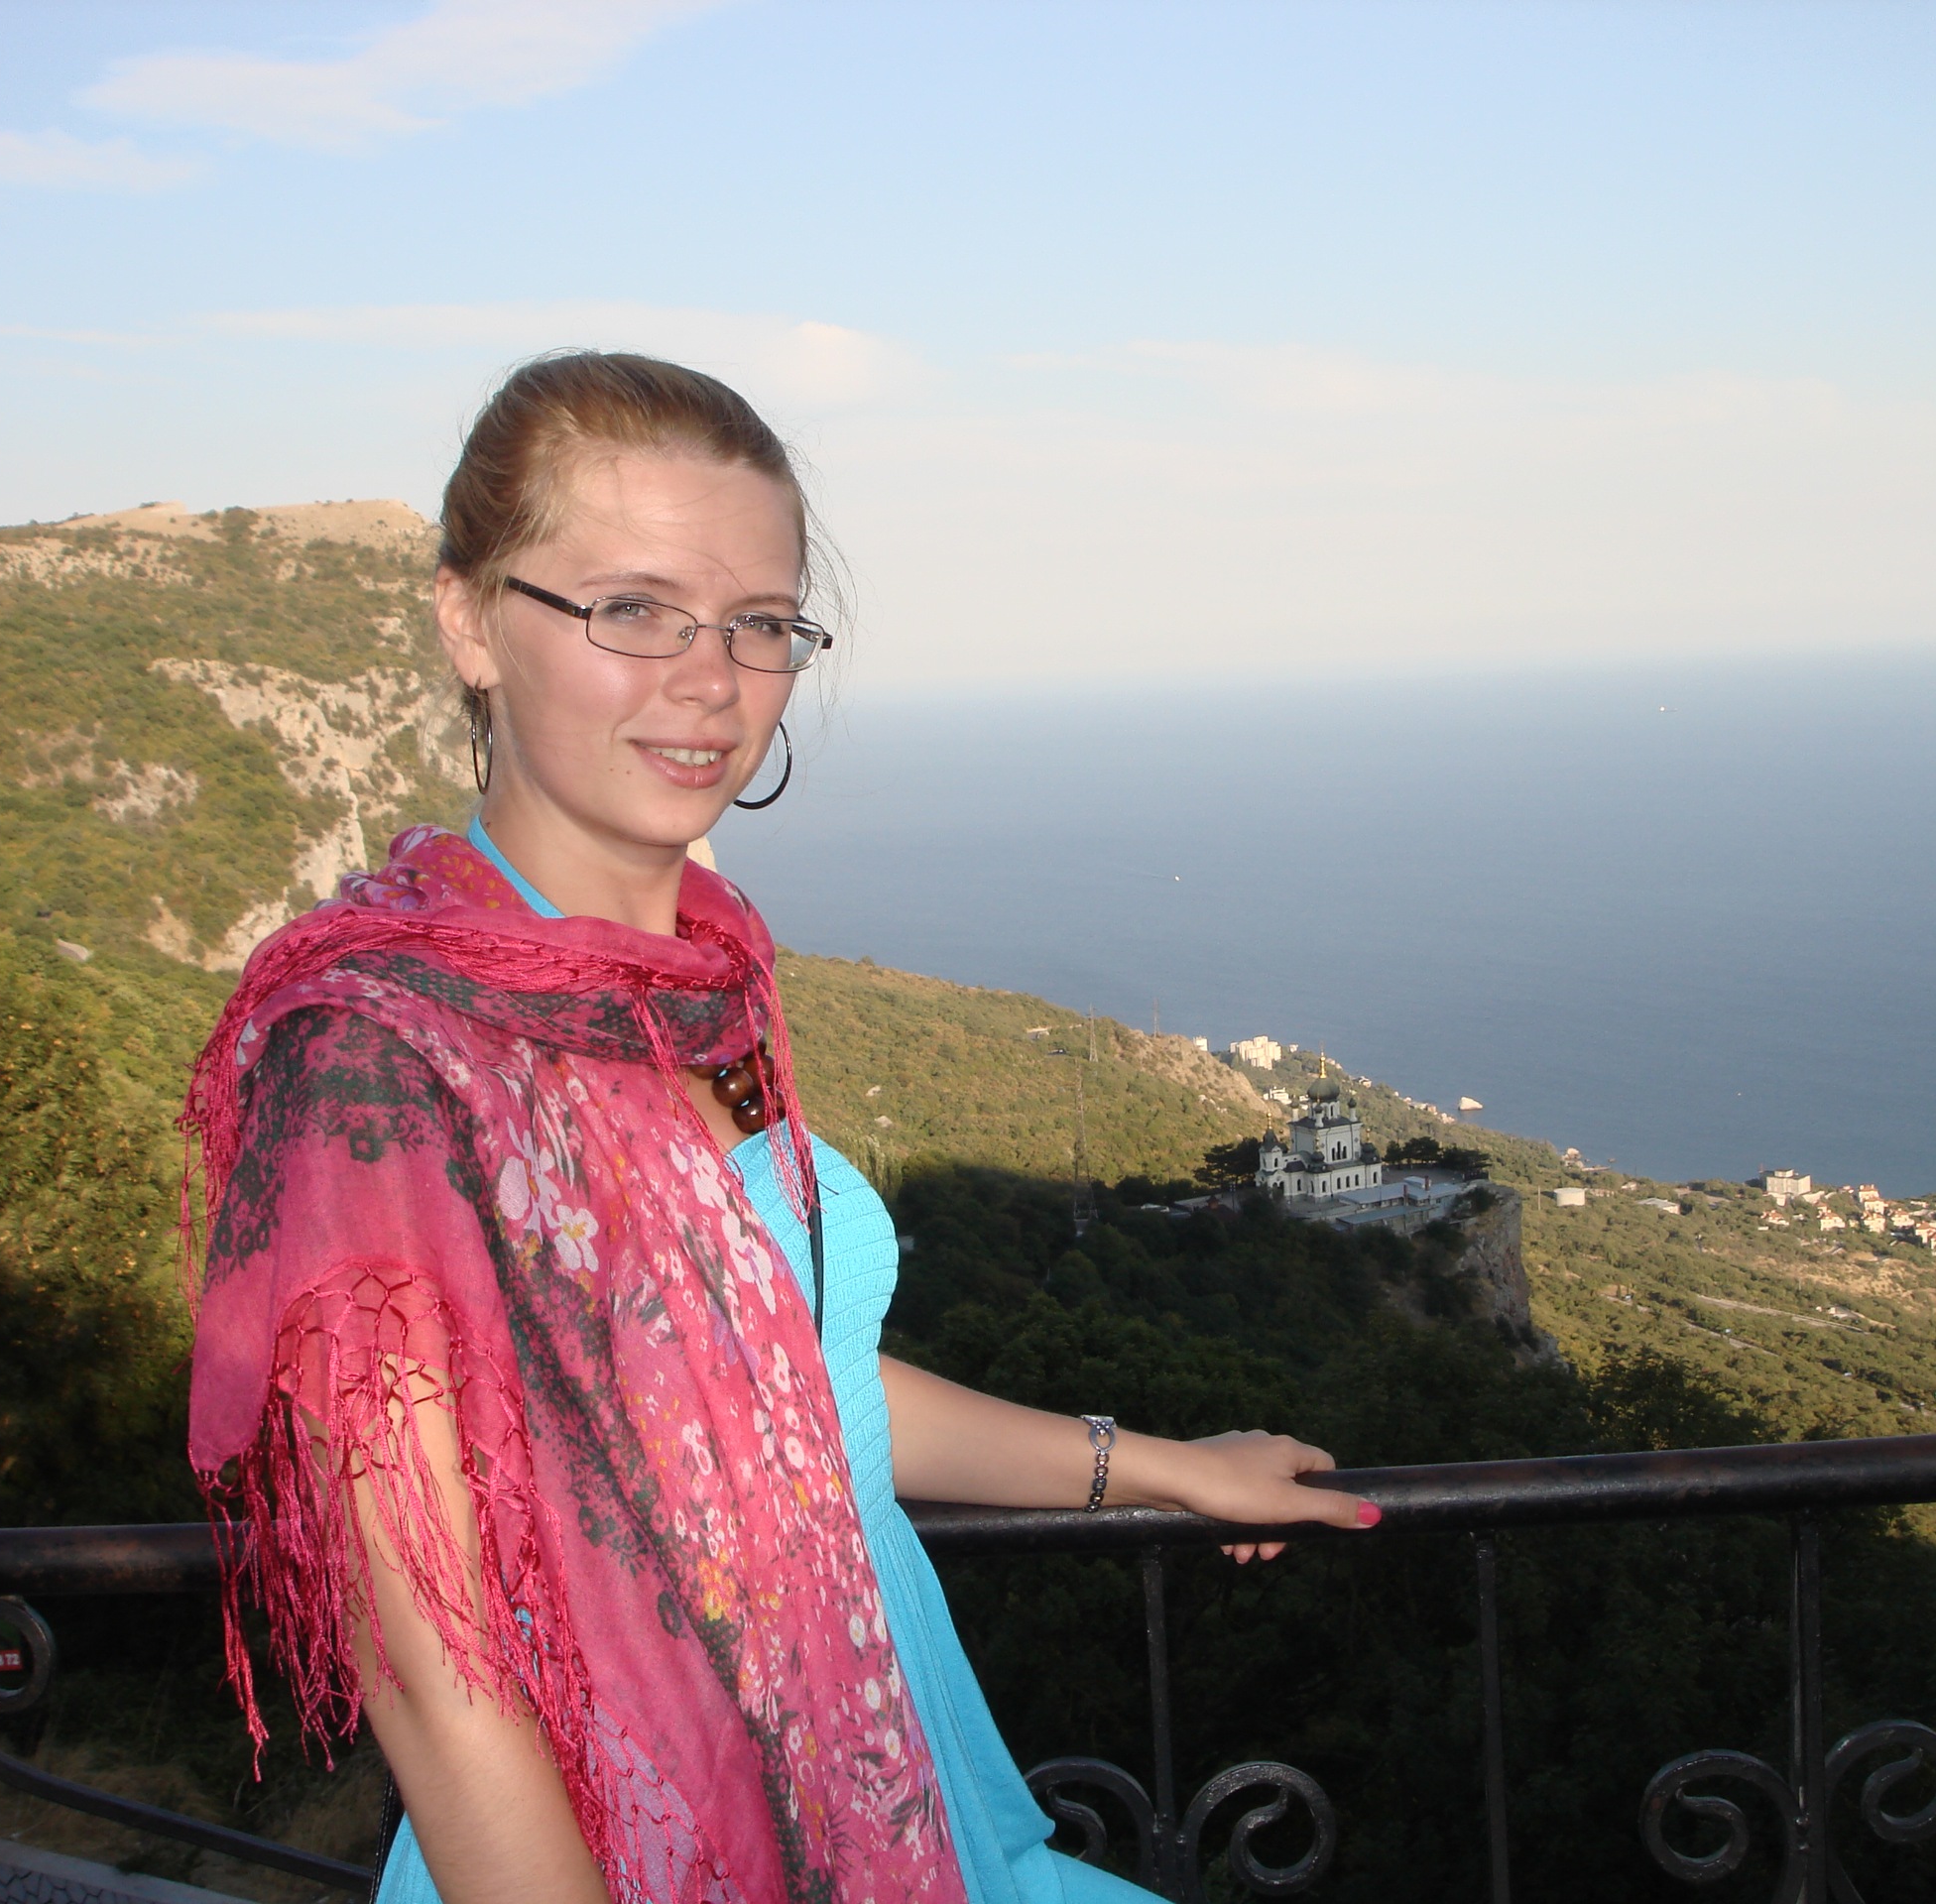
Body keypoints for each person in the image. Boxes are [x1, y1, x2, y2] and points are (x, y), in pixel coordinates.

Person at [182, 351, 1378, 1904]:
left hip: (892, 1786)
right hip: (623, 1842)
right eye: (635, 610)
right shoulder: (379, 1064)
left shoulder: (704, 986)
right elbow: (429, 1663)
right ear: (469, 621)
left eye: (759, 623)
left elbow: (805, 1393)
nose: (713, 680)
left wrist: (1157, 1466)